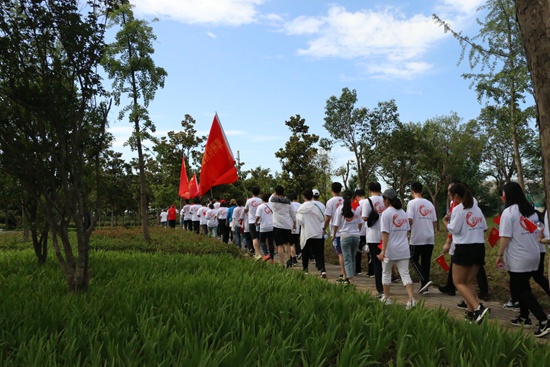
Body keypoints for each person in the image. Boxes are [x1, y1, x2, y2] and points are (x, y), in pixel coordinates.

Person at [496, 182, 550, 337]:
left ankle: (543, 320)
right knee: (521, 285)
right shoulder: (530, 210)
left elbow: (505, 237)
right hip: (534, 254)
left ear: (507, 195)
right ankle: (524, 317)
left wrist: (499, 256)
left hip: (519, 257)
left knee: (521, 289)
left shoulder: (509, 212)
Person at [443, 183, 489, 324]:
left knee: (458, 282)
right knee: (469, 281)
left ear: (456, 196)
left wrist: (445, 221)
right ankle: (471, 313)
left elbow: (453, 229)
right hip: (479, 248)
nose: (450, 199)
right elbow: (485, 228)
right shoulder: (476, 209)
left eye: (450, 196)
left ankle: (478, 307)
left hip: (464, 249)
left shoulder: (458, 209)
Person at [377, 189, 416, 308]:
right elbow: (407, 230)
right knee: (405, 274)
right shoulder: (403, 213)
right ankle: (412, 299)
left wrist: (383, 251)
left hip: (390, 249)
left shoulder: (386, 213)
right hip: (404, 248)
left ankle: (387, 298)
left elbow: (385, 233)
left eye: (384, 199)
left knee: (386, 273)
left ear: (387, 200)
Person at [407, 182, 437, 295]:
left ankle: (425, 280)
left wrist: (408, 230)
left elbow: (409, 219)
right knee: (426, 262)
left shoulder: (412, 203)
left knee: (412, 258)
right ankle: (425, 288)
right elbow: (434, 221)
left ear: (412, 191)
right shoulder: (429, 204)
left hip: (417, 237)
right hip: (429, 237)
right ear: (422, 191)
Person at [361, 182, 386, 297]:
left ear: (369, 190)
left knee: (376, 263)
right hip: (385, 236)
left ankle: (380, 289)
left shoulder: (367, 201)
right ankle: (387, 285)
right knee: (386, 262)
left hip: (372, 236)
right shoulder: (385, 200)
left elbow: (365, 217)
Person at [333, 190, 362, 285]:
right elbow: (360, 223)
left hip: (345, 236)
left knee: (347, 259)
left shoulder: (340, 209)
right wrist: (357, 231)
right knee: (352, 258)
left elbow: (336, 224)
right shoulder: (357, 208)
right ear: (353, 198)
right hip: (356, 236)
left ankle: (350, 280)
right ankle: (351, 277)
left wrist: (334, 235)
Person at [297, 189, 327, 277]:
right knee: (319, 252)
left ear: (304, 197)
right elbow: (322, 218)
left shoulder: (301, 208)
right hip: (317, 232)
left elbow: (300, 221)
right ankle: (322, 270)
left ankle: (305, 270)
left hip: (306, 233)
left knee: (305, 251)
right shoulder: (316, 206)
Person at [270, 185, 297, 267]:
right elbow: (293, 214)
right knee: (287, 244)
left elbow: (271, 197)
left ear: (275, 192)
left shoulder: (273, 201)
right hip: (287, 225)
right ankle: (289, 260)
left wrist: (274, 193)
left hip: (277, 226)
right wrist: (294, 224)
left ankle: (282, 263)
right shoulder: (289, 202)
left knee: (280, 245)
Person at [325, 182, 346, 282]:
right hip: (347, 228)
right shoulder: (345, 200)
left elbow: (328, 217)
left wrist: (324, 228)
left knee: (340, 254)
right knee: (347, 254)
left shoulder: (330, 202)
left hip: (337, 231)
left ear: (332, 190)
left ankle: (343, 273)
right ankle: (348, 272)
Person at [245, 187, 263, 260]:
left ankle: (257, 254)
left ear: (252, 192)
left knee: (254, 238)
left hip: (252, 222)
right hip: (260, 222)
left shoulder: (249, 201)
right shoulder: (261, 200)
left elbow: (245, 210)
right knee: (259, 238)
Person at [256, 194, 275, 262]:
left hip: (263, 227)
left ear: (262, 199)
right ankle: (272, 259)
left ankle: (266, 254)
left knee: (262, 241)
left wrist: (256, 222)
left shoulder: (260, 207)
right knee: (271, 243)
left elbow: (258, 216)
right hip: (272, 226)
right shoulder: (272, 206)